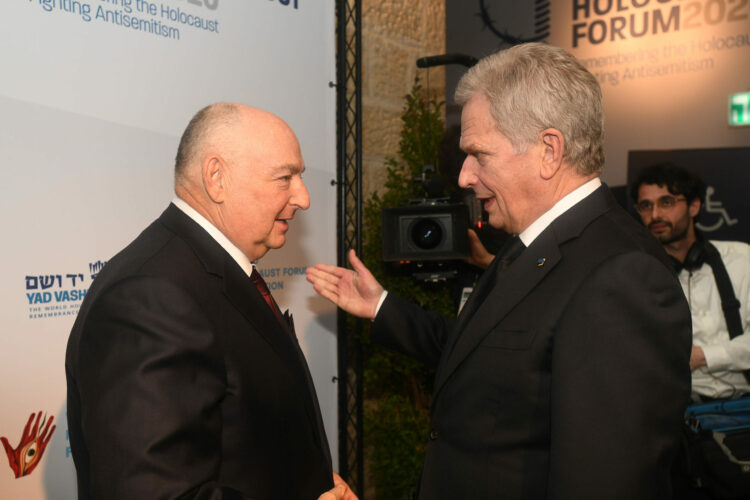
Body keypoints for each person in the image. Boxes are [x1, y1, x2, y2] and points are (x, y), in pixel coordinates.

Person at [307, 43, 692, 499]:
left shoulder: (622, 277)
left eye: (478, 154)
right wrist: (381, 307)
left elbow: (607, 482)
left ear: (549, 150)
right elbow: (485, 349)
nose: (464, 176)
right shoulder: (534, 243)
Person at [66, 103, 355, 500]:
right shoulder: (151, 296)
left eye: (300, 177)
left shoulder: (214, 268)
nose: (303, 198)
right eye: (285, 177)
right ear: (217, 177)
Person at [631, 163, 750, 401]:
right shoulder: (635, 276)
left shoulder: (742, 257)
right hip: (678, 414)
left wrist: (702, 356)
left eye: (667, 202)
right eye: (646, 206)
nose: (655, 215)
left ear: (694, 206)